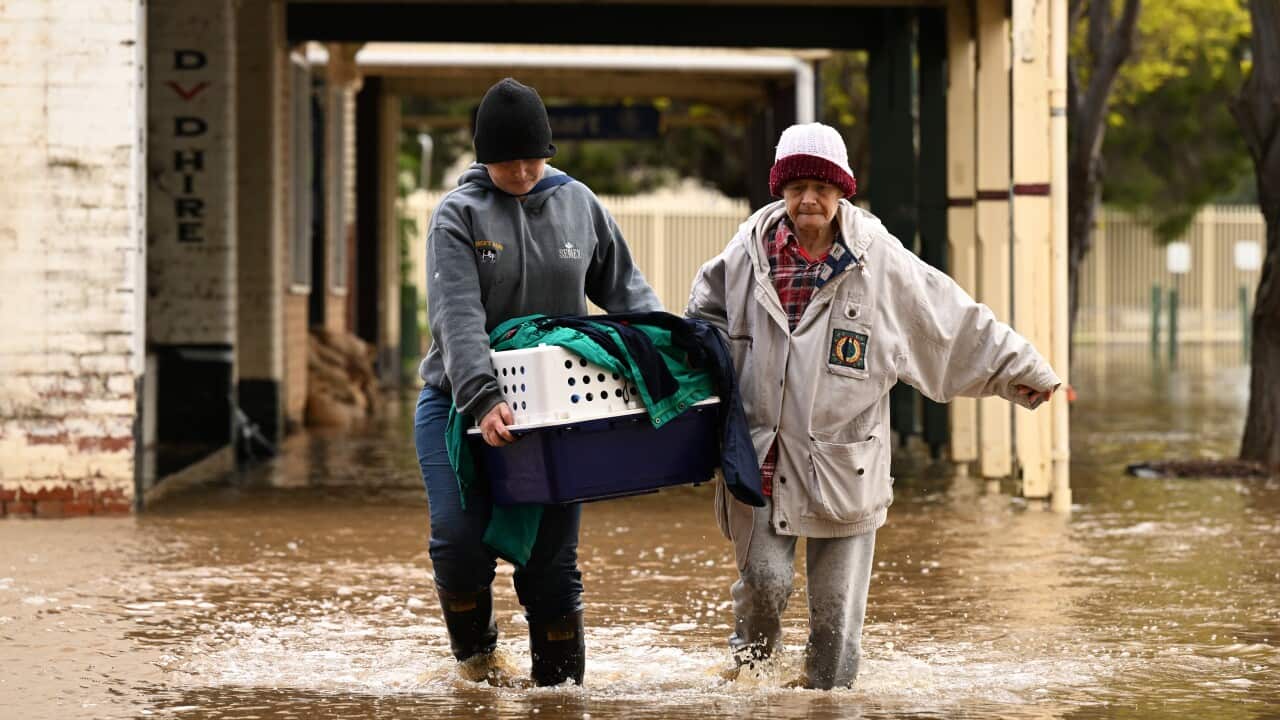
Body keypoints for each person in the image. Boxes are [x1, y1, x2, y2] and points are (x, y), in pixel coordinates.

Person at [686, 122, 1062, 690]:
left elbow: (953, 324)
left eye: (821, 186)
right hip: (758, 456)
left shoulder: (879, 260)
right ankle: (749, 690)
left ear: (842, 191)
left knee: (835, 624)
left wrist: (1024, 372)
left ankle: (826, 703)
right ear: (779, 190)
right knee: (763, 586)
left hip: (844, 464)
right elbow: (701, 322)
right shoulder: (745, 254)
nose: (808, 199)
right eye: (795, 187)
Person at [415, 77, 661, 687]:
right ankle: (478, 669)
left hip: (554, 416)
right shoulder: (459, 214)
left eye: (533, 159)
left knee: (552, 567)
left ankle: (559, 693)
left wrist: (666, 356)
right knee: (458, 543)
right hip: (461, 406)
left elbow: (627, 293)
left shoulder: (579, 203)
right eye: (507, 162)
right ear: (483, 158)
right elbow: (457, 316)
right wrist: (484, 397)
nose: (523, 172)